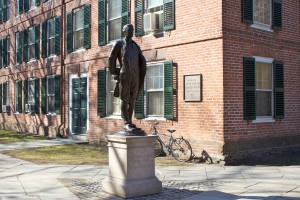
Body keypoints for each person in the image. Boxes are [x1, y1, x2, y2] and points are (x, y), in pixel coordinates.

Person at [109, 24, 146, 131]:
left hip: (135, 75)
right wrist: (114, 73)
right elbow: (111, 58)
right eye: (129, 30)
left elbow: (140, 61)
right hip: (125, 74)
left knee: (133, 100)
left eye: (132, 30)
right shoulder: (119, 43)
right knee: (124, 99)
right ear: (124, 31)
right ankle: (126, 122)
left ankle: (130, 121)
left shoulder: (135, 46)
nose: (131, 32)